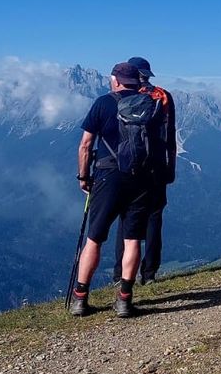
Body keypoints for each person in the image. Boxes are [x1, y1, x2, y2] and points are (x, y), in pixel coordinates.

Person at [70, 62, 166, 318]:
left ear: (115, 80)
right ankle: (124, 299)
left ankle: (80, 298)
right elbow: (157, 146)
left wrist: (84, 176)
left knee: (94, 237)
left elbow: (85, 145)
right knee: (132, 239)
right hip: (141, 178)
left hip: (108, 176)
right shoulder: (151, 105)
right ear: (138, 81)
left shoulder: (103, 103)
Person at [111, 56, 176, 285]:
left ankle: (120, 273)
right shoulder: (162, 96)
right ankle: (149, 273)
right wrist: (171, 167)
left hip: (129, 166)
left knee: (126, 218)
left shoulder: (123, 97)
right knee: (154, 216)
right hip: (157, 164)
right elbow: (170, 134)